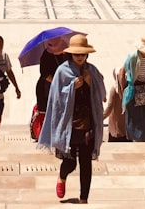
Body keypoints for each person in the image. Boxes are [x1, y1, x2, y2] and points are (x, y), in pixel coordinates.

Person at [38, 34, 106, 206]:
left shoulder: (92, 70)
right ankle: (62, 177)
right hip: (70, 123)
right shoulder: (63, 71)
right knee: (70, 161)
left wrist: (91, 83)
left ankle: (84, 198)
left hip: (88, 123)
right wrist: (71, 88)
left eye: (83, 54)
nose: (80, 57)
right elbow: (55, 98)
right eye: (77, 54)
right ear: (71, 54)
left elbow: (102, 94)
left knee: (86, 163)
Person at [103, 67, 128, 142]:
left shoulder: (114, 89)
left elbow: (109, 108)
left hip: (116, 125)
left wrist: (100, 119)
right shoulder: (129, 87)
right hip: (127, 125)